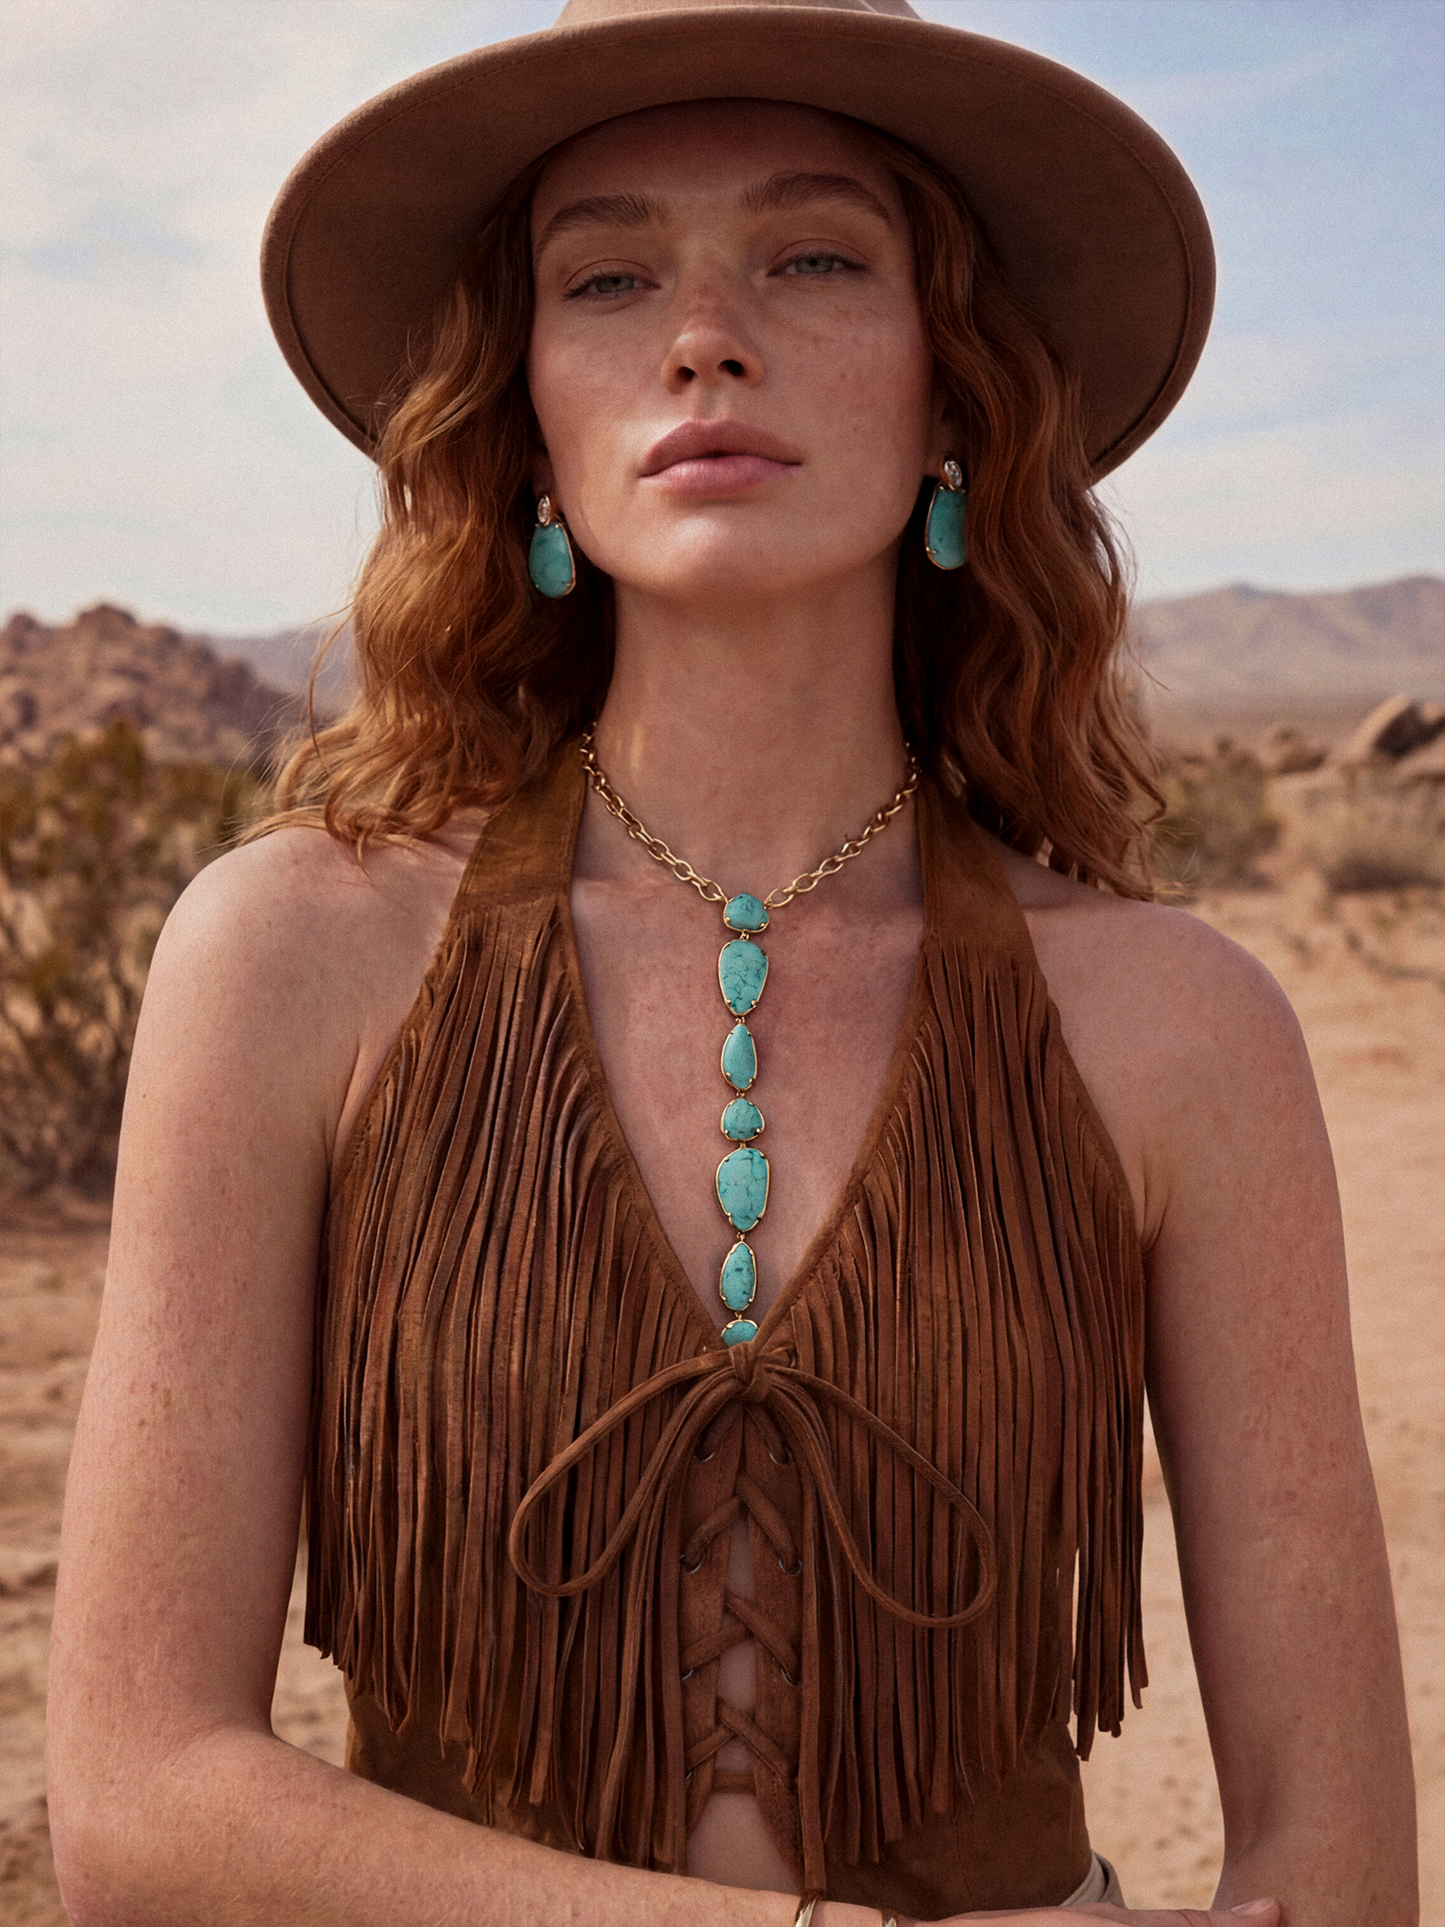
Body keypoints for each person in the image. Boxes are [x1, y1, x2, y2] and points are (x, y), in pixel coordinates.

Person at [47, 2, 1417, 1922]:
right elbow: (134, 1805)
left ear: (955, 394)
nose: (704, 330)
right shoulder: (291, 956)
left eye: (816, 255)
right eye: (608, 274)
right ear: (525, 412)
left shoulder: (1182, 1026)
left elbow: (1340, 1867)